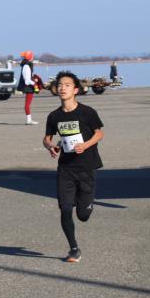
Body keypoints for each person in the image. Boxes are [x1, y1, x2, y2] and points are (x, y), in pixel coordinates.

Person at [42, 71, 105, 263]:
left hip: (86, 167)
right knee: (65, 209)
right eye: (60, 85)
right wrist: (51, 147)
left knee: (83, 215)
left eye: (67, 85)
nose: (62, 88)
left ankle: (87, 202)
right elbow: (47, 138)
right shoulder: (54, 116)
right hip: (66, 169)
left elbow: (99, 133)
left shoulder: (87, 112)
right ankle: (74, 249)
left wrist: (85, 145)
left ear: (76, 90)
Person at [18, 51, 38, 125]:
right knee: (27, 105)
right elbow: (27, 81)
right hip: (28, 87)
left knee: (27, 104)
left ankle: (29, 120)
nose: (33, 57)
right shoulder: (27, 66)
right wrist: (34, 84)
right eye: (32, 56)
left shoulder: (26, 65)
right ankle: (29, 120)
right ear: (30, 57)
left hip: (29, 86)